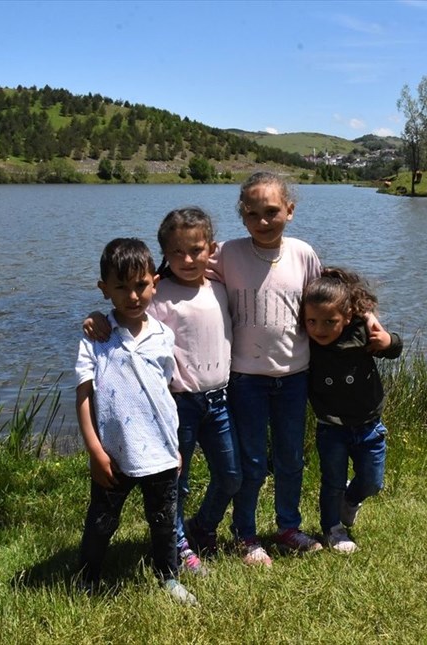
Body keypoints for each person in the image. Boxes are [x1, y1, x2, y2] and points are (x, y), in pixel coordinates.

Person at [82, 208, 241, 577]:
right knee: (176, 484)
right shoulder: (157, 294)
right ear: (165, 256)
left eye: (196, 250)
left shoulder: (220, 286)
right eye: (177, 252)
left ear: (211, 249)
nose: (188, 259)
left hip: (220, 400)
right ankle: (179, 544)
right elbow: (124, 305)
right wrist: (95, 318)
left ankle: (203, 526)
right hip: (180, 402)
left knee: (231, 475)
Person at [208, 171, 323, 567]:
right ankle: (246, 534)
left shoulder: (303, 254)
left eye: (272, 211)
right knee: (252, 462)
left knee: (291, 459)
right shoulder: (227, 253)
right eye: (252, 213)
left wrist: (369, 322)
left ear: (289, 211)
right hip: (246, 380)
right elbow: (180, 269)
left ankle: (288, 527)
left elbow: (325, 301)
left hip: (294, 377)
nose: (262, 221)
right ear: (242, 216)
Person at [74, 237, 196, 606]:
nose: (132, 296)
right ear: (104, 289)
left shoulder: (163, 336)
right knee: (102, 520)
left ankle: (168, 577)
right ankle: (87, 577)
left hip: (160, 450)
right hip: (114, 452)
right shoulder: (97, 336)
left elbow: (165, 395)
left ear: (154, 283)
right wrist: (95, 451)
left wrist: (175, 448)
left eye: (140, 285)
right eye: (121, 287)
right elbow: (83, 396)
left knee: (163, 521)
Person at [301, 267, 403, 553]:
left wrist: (388, 341)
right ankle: (332, 529)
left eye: (330, 322)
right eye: (312, 321)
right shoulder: (306, 341)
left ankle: (351, 498)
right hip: (331, 427)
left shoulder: (360, 331)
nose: (319, 329)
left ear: (347, 317)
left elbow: (393, 349)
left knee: (373, 482)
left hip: (369, 424)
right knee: (331, 481)